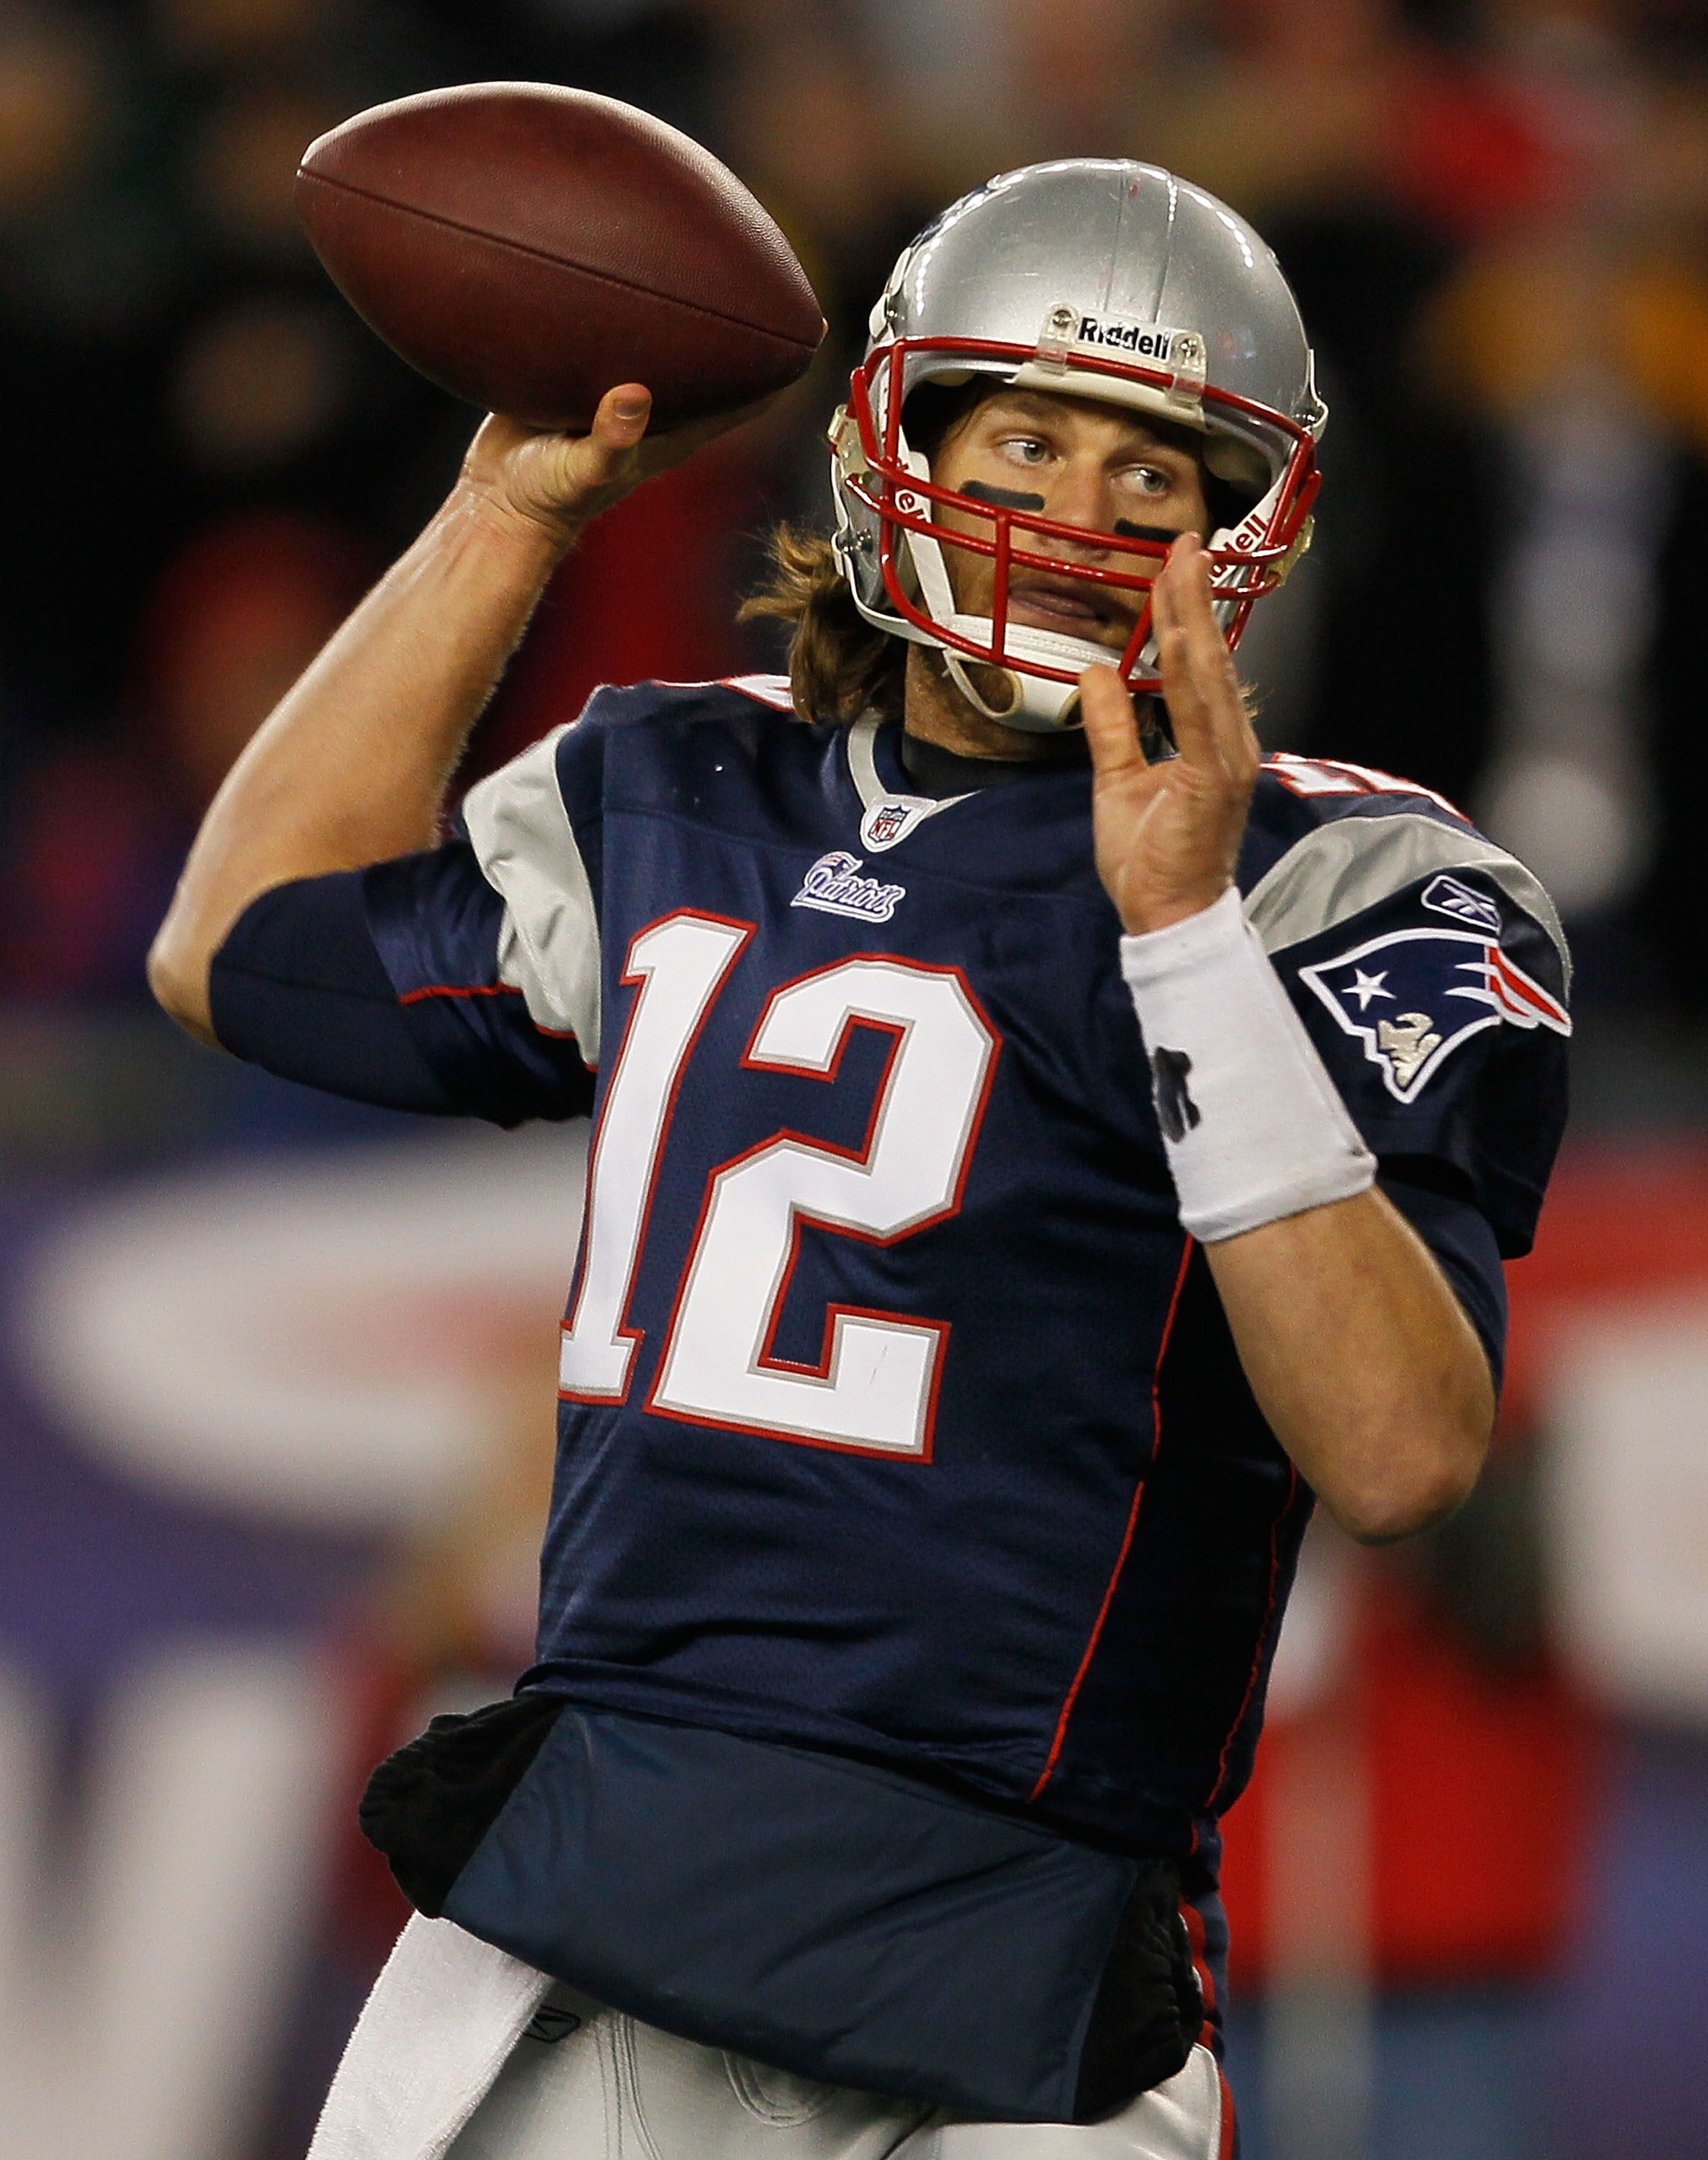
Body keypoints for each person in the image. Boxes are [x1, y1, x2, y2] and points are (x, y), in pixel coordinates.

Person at [148, 161, 1569, 2160]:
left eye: (1152, 474)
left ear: (1245, 526)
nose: (1079, 514)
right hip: (607, 1888)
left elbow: (1401, 1452)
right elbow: (240, 949)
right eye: (1029, 441)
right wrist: (506, 514)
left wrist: (1178, 936)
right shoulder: (684, 783)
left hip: (1030, 1951)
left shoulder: (1352, 882)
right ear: (899, 442)